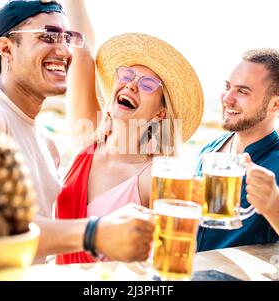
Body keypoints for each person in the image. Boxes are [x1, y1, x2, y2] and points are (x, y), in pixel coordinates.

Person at [0, 0, 154, 263]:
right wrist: (94, 233)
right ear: (6, 48)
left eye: (67, 38)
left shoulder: (48, 146)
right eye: (48, 37)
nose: (63, 50)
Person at [54, 0, 204, 264]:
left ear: (161, 112)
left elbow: (174, 254)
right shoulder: (86, 141)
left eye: (147, 84)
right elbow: (82, 53)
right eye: (126, 75)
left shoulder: (156, 176)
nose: (132, 85)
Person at [195, 48, 279, 273]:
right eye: (228, 87)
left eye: (242, 91)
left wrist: (275, 204)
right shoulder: (212, 148)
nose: (227, 98)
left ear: (276, 103)